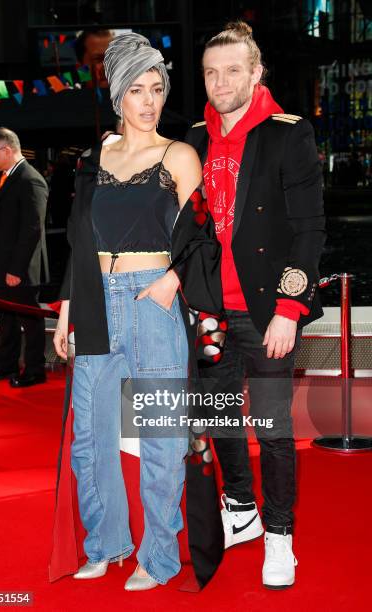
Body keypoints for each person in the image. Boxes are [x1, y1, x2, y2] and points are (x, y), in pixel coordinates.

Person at [53, 32, 223, 591]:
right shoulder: (91, 159)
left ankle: (158, 556)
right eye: (137, 90)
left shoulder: (179, 155)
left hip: (154, 300)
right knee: (90, 436)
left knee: (162, 436)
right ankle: (104, 543)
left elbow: (205, 234)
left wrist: (172, 281)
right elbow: (79, 242)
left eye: (157, 89)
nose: (149, 101)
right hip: (97, 300)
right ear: (118, 95)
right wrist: (66, 313)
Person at [186, 22, 325, 589]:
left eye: (233, 70)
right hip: (212, 312)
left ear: (256, 73)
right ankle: (239, 509)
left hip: (269, 312)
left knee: (271, 429)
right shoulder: (193, 138)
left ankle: (280, 536)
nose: (221, 82)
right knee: (216, 417)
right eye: (211, 72)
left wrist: (290, 311)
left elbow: (310, 230)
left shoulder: (288, 134)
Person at [0, 127, 49, 387]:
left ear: (7, 150)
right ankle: (6, 365)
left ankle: (34, 370)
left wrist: (16, 270)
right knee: (5, 320)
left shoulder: (30, 180)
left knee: (30, 321)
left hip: (19, 270)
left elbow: (32, 230)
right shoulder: (5, 177)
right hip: (0, 266)